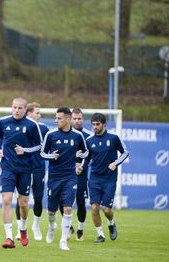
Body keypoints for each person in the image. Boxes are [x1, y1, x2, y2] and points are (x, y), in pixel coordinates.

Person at [0, 97, 43, 248]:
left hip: (25, 169)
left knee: (23, 204)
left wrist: (25, 150)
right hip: (7, 168)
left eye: (19, 108)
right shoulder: (3, 121)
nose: (16, 110)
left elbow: (40, 146)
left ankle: (23, 228)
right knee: (7, 200)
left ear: (25, 110)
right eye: (14, 107)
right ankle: (9, 237)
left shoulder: (32, 125)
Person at [40, 107, 88, 251]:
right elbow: (42, 153)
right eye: (56, 118)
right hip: (54, 177)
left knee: (67, 208)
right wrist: (51, 156)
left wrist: (80, 156)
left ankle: (63, 240)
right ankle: (52, 227)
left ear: (67, 119)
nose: (56, 120)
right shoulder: (51, 134)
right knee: (51, 212)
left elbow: (86, 152)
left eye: (59, 118)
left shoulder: (78, 136)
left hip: (70, 177)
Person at [82, 113, 129, 243]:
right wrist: (80, 166)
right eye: (93, 125)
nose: (95, 127)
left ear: (104, 124)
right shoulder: (89, 141)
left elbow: (125, 152)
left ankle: (111, 223)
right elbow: (86, 159)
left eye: (98, 124)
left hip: (109, 178)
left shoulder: (114, 137)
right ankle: (100, 235)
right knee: (94, 207)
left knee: (106, 209)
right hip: (95, 178)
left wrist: (115, 163)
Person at [14, 102, 49, 241]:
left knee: (38, 198)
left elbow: (47, 148)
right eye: (37, 112)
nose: (39, 115)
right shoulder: (21, 127)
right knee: (21, 198)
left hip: (39, 167)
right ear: (28, 114)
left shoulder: (44, 129)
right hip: (23, 168)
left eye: (40, 113)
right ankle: (20, 229)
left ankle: (36, 226)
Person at [61, 108, 93, 241]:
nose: (77, 121)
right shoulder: (63, 133)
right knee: (61, 201)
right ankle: (68, 228)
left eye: (79, 118)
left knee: (80, 201)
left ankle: (80, 228)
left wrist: (81, 166)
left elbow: (90, 155)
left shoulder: (88, 136)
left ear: (83, 119)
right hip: (65, 173)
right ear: (70, 119)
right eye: (74, 118)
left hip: (81, 174)